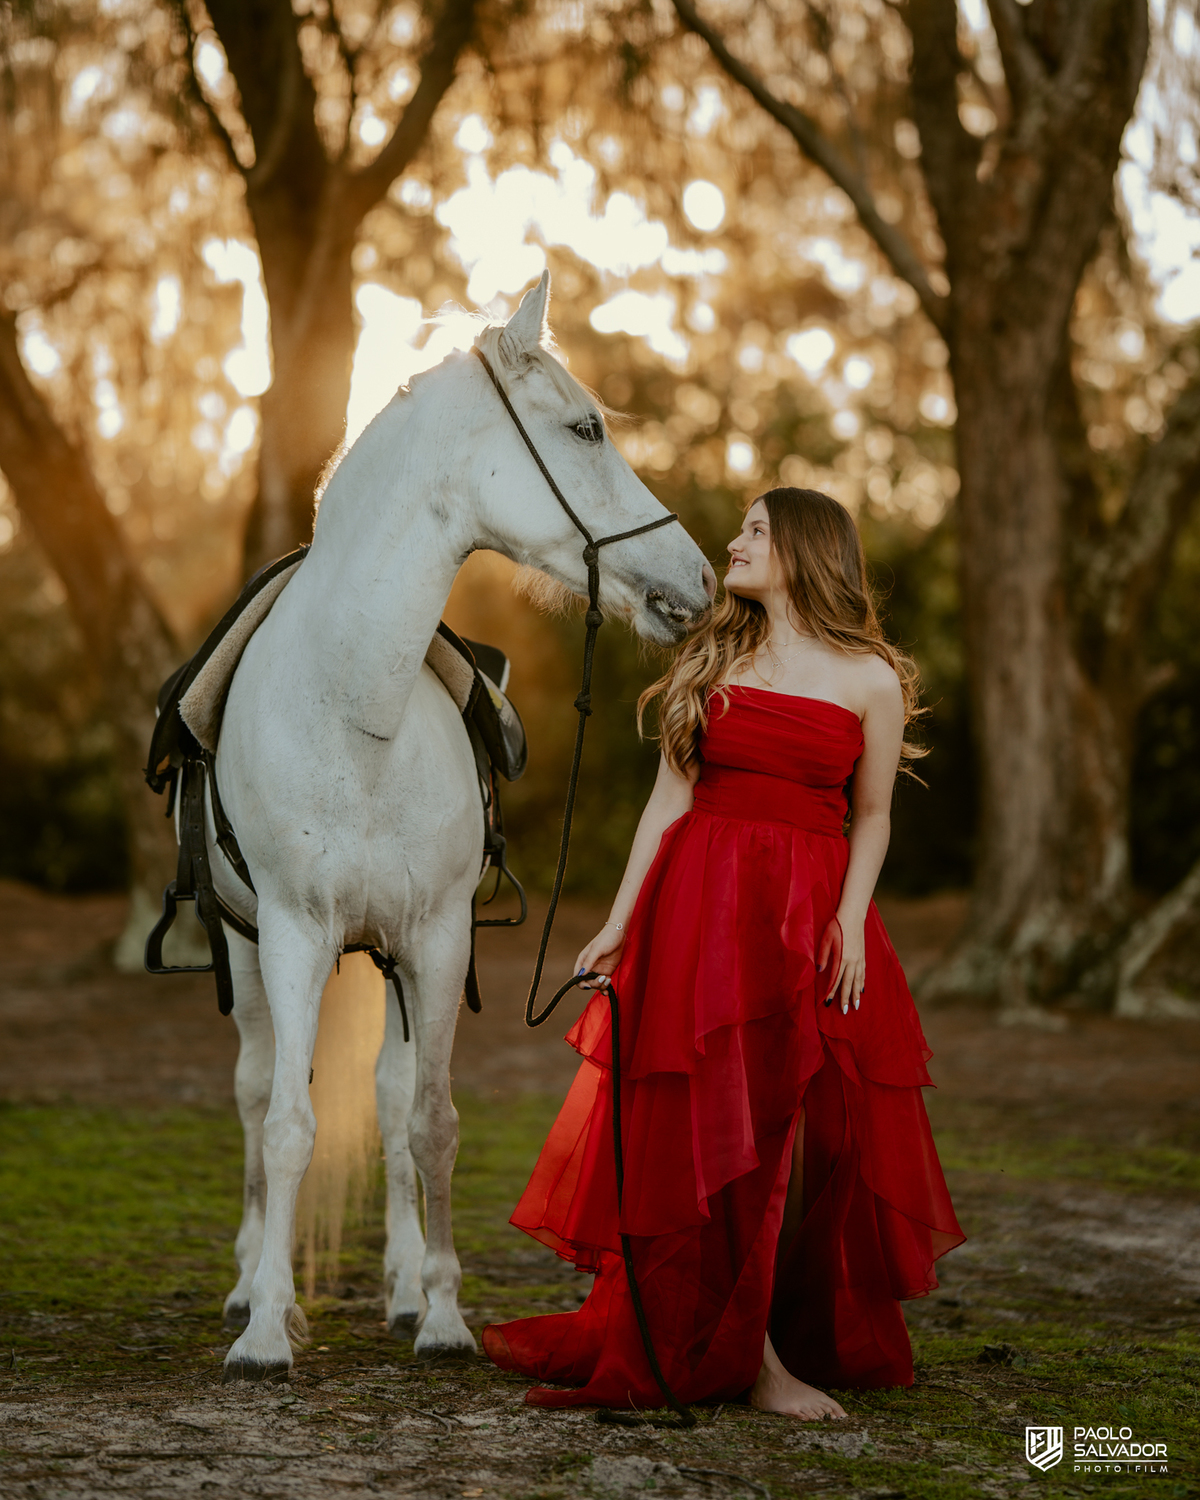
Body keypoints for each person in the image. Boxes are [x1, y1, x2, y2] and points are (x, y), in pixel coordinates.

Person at [482, 487, 965, 1419]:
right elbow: (668, 803)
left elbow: (872, 815)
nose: (734, 543)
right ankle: (754, 1362)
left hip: (809, 914)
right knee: (707, 1128)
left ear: (806, 550)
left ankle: (769, 1334)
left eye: (755, 531)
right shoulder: (716, 655)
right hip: (701, 910)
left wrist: (851, 919)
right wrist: (621, 923)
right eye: (741, 528)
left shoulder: (869, 678)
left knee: (797, 1133)